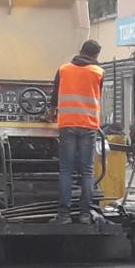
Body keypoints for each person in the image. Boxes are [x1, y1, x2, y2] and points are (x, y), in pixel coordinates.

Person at [49, 40, 104, 225]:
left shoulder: (63, 69)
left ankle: (63, 215)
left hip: (67, 124)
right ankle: (85, 214)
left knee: (66, 170)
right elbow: (97, 95)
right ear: (96, 56)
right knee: (87, 172)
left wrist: (49, 115)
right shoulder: (98, 72)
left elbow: (54, 98)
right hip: (88, 125)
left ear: (80, 50)